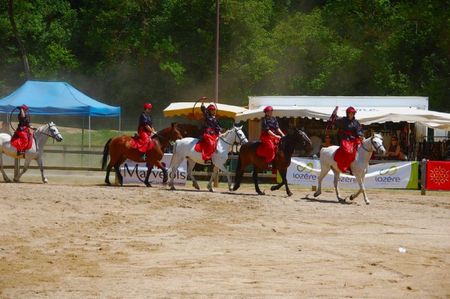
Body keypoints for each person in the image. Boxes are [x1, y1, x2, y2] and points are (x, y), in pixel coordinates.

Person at [333, 106, 363, 173]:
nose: (351, 114)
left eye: (352, 113)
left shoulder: (356, 122)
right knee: (348, 151)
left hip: (354, 139)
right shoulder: (343, 120)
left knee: (361, 149)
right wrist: (335, 111)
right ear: (347, 113)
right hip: (345, 139)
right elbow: (334, 119)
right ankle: (347, 167)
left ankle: (359, 165)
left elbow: (359, 130)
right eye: (350, 113)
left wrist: (360, 135)